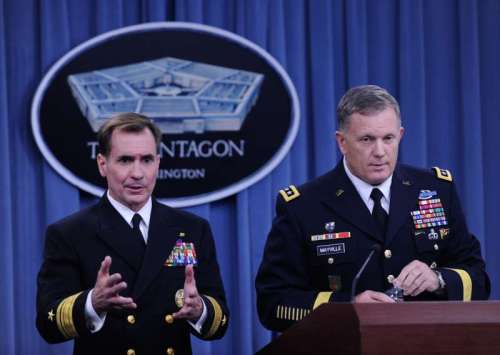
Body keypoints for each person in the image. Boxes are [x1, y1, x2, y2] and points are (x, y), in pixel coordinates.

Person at [255, 85, 490, 331]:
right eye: (366, 139)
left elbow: (478, 279)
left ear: (400, 135)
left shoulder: (435, 190)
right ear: (342, 142)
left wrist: (438, 279)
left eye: (388, 138)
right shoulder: (303, 206)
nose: (379, 152)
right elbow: (273, 303)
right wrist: (347, 307)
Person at [36, 113, 229, 354]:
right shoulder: (69, 233)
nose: (137, 173)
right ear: (102, 164)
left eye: (146, 160)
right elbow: (47, 324)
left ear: (158, 163)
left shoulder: (193, 229)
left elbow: (221, 322)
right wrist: (92, 304)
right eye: (125, 160)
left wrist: (200, 309)